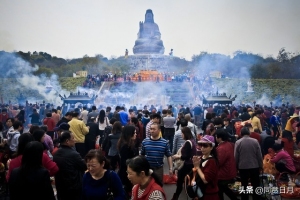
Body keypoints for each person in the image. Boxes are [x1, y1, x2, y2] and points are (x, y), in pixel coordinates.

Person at [53, 131, 87, 200]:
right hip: (73, 185)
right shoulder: (74, 154)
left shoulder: (56, 153)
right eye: (73, 138)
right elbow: (84, 166)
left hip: (60, 184)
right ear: (67, 141)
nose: (75, 140)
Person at [234, 127, 263, 200]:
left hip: (242, 167)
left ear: (241, 134)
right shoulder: (255, 141)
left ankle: (244, 198)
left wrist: (236, 166)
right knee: (255, 184)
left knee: (244, 185)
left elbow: (236, 156)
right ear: (249, 133)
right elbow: (259, 155)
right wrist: (261, 166)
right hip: (254, 166)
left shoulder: (238, 142)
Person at [171, 127, 197, 200]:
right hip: (191, 164)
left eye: (182, 133)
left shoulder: (188, 142)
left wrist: (178, 156)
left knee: (180, 182)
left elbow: (186, 156)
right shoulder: (192, 141)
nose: (181, 135)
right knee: (190, 181)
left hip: (186, 165)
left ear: (185, 134)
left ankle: (176, 197)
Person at [192, 135, 219, 200]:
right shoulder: (202, 157)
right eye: (201, 145)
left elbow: (206, 180)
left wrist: (197, 167)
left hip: (209, 194)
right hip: (200, 191)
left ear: (211, 147)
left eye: (205, 146)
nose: (202, 148)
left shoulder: (211, 161)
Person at [215, 129, 238, 200]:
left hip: (223, 173)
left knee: (222, 189)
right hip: (230, 170)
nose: (215, 138)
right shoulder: (230, 144)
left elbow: (219, 162)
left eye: (216, 136)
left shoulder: (221, 148)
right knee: (225, 190)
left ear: (219, 138)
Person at [117, 125, 137, 197]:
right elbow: (124, 162)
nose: (136, 134)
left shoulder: (128, 144)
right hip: (126, 173)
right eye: (134, 133)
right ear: (129, 134)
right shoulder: (125, 146)